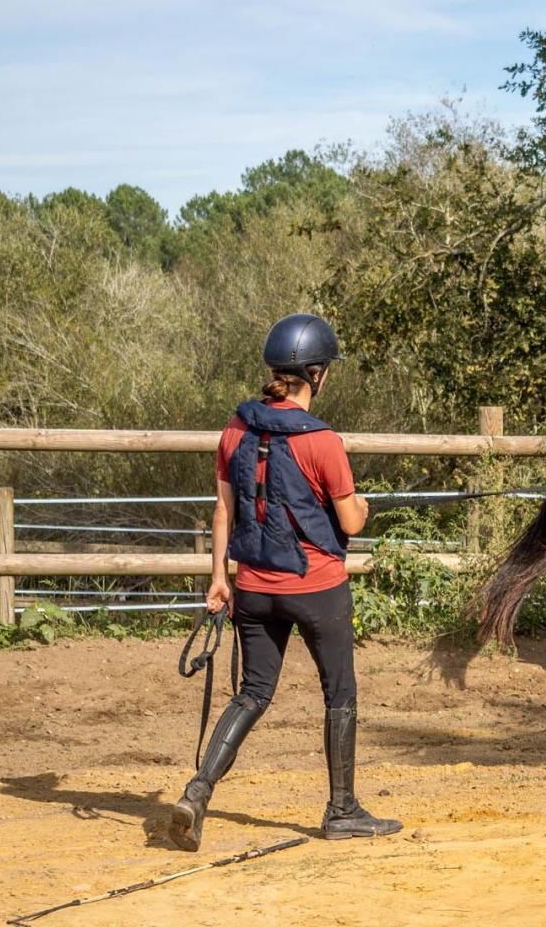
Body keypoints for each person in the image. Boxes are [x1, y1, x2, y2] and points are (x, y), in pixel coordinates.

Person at [168, 313, 401, 851]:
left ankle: (198, 790)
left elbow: (223, 511)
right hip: (316, 588)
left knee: (252, 692)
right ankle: (342, 809)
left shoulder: (235, 429)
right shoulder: (323, 441)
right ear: (316, 374)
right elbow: (350, 523)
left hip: (252, 587)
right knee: (339, 693)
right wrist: (363, 505)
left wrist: (218, 580)